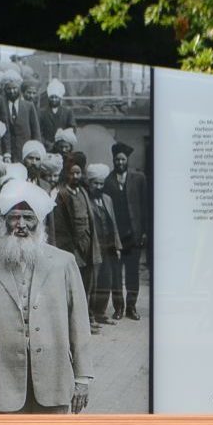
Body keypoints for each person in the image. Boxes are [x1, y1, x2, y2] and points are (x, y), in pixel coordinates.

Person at [0, 180, 92, 414]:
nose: (20, 224)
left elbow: (79, 324)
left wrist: (82, 377)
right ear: (4, 221)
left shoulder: (64, 263)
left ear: (39, 222)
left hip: (54, 377)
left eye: (28, 218)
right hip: (3, 380)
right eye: (14, 217)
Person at [54, 155, 101, 332]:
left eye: (78, 173)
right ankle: (75, 323)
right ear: (67, 174)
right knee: (74, 285)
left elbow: (90, 220)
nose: (75, 176)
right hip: (71, 246)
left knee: (87, 284)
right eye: (72, 173)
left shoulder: (83, 193)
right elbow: (60, 226)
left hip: (87, 244)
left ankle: (88, 318)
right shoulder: (61, 195)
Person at [105, 141, 148, 321]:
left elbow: (146, 206)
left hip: (134, 235)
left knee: (132, 273)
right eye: (117, 160)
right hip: (116, 236)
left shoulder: (138, 178)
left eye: (122, 159)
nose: (120, 163)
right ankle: (119, 307)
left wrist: (144, 231)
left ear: (127, 160)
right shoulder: (108, 181)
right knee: (116, 273)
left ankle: (131, 306)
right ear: (113, 161)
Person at [85, 163, 123, 329]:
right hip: (93, 247)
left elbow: (114, 223)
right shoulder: (85, 199)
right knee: (92, 283)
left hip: (108, 247)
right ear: (90, 183)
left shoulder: (107, 199)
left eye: (101, 183)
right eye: (95, 183)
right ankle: (89, 315)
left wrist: (117, 245)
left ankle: (101, 313)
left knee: (106, 281)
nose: (98, 187)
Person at [1, 69, 41, 161]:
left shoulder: (28, 106)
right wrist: (7, 153)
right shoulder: (2, 105)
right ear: (5, 89)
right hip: (7, 154)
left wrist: (36, 150)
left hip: (25, 153)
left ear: (19, 88)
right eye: (9, 89)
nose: (12, 91)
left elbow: (36, 132)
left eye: (14, 88)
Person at [39, 78, 76, 146]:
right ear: (48, 98)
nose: (54, 99)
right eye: (52, 97)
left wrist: (64, 140)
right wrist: (48, 144)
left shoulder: (67, 112)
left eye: (56, 97)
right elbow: (39, 132)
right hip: (47, 147)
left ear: (60, 98)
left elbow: (72, 129)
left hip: (63, 146)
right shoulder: (42, 112)